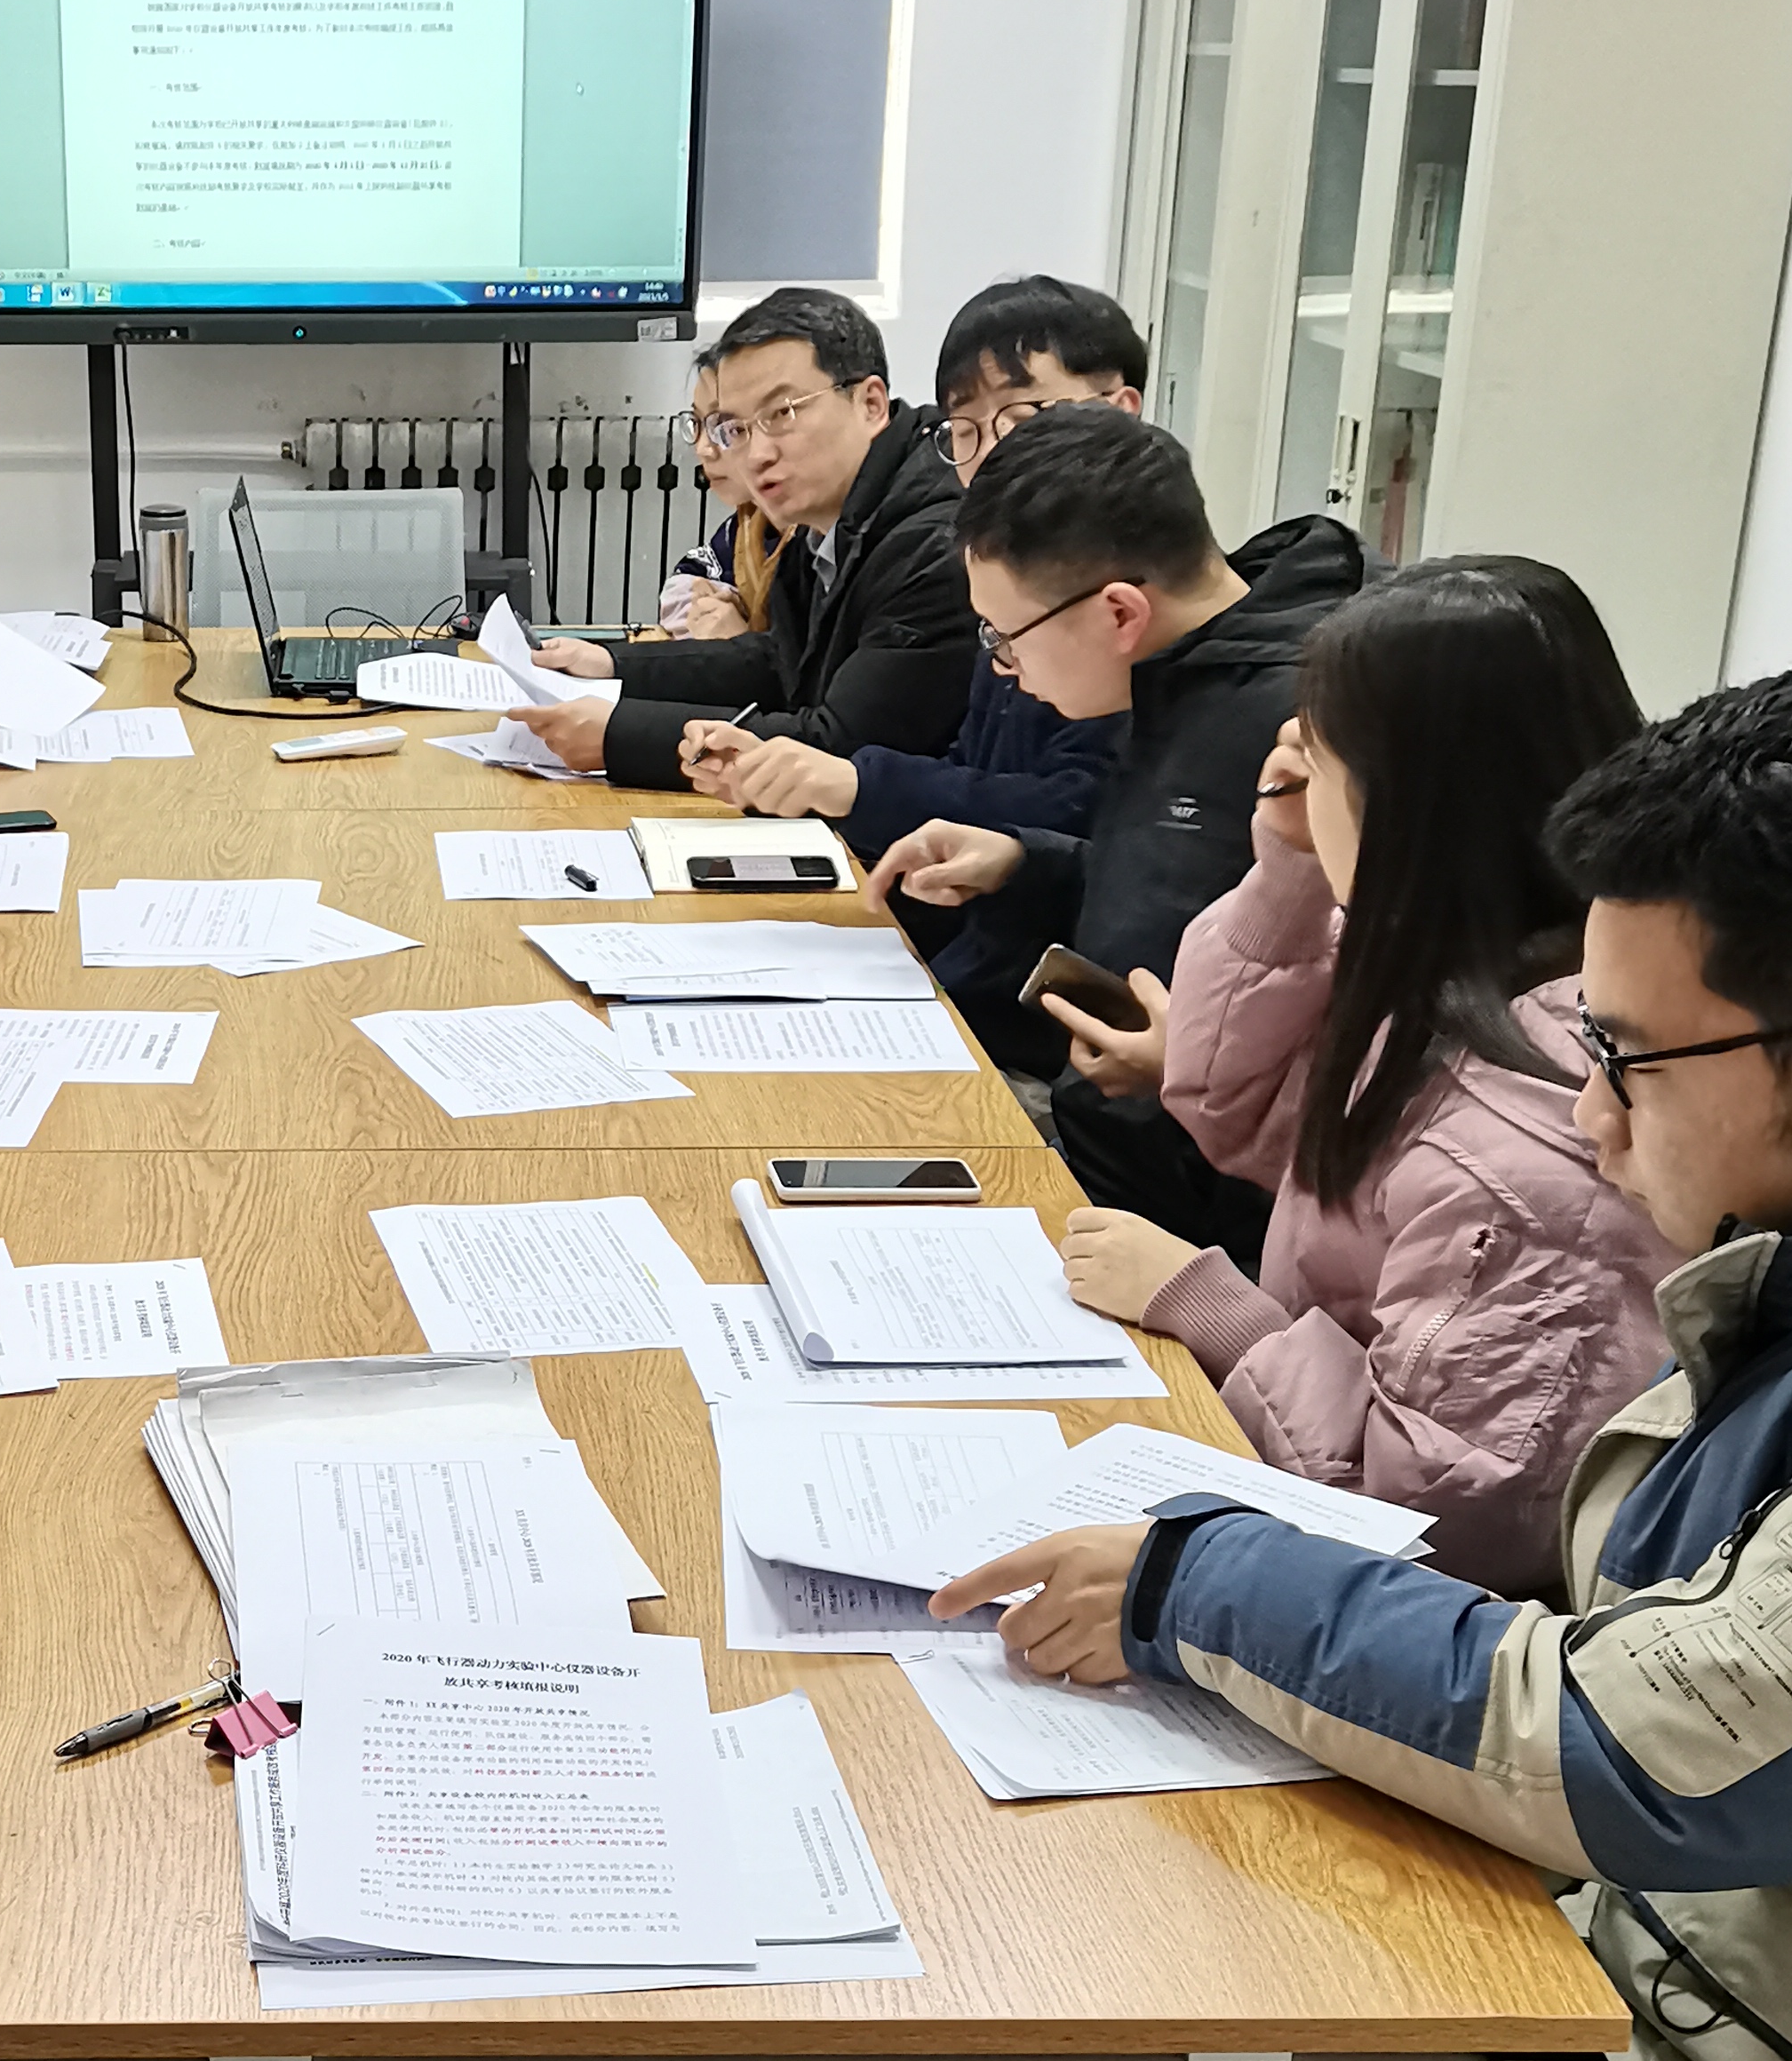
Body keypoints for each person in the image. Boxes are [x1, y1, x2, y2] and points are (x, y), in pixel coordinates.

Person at [918, 658, 1792, 2061]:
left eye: (1629, 1058)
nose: (1591, 1111)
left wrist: (1190, 1577)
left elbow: (1628, 1745)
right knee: (1232, 2060)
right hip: (1690, 1995)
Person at [1056, 557, 1669, 1595]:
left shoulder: (1531, 1146)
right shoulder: (1440, 952)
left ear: (1415, 800)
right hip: (1318, 1467)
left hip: (1404, 1597)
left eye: (1322, 756)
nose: (1294, 773)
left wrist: (1214, 1311)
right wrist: (1292, 862)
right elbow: (1227, 1103)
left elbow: (1439, 1520)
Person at [866, 404, 1366, 1252]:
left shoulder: (1310, 731)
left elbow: (1364, 1023)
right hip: (1110, 1162)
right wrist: (1024, 861)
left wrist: (1192, 1070)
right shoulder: (1176, 668)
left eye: (1006, 636)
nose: (1001, 666)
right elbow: (1181, 883)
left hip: (1205, 1235)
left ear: (1120, 612)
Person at [674, 274, 1146, 845]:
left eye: (1022, 418)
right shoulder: (1012, 570)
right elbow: (971, 766)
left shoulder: (1127, 586)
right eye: (967, 429)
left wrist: (856, 785)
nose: (991, 457)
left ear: (1120, 411)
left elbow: (1091, 807)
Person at [522, 287, 978, 788]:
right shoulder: (828, 517)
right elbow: (777, 664)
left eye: (782, 413)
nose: (756, 455)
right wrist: (608, 663)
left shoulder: (933, 542)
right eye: (734, 429)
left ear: (870, 404)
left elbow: (842, 750)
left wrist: (620, 735)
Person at [652, 347, 783, 639]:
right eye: (697, 424)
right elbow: (690, 579)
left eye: (726, 426)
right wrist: (709, 607)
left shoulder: (818, 534)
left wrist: (740, 642)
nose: (703, 449)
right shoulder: (749, 522)